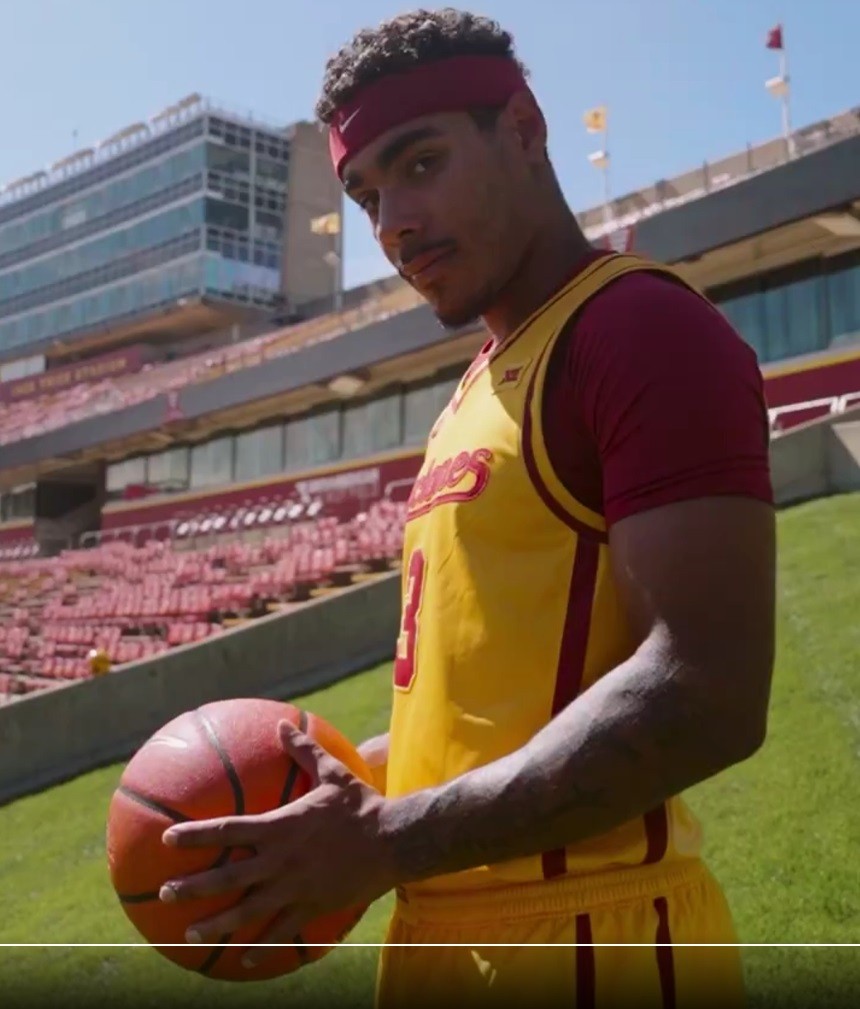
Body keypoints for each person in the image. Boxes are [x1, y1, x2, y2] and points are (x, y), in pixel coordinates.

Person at [156, 9, 776, 1006]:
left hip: (591, 941)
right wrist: (330, 791)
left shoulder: (638, 328)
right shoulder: (476, 387)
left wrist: (389, 838)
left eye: (421, 163)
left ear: (523, 130)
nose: (392, 222)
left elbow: (707, 690)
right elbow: (491, 701)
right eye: (367, 195)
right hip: (438, 932)